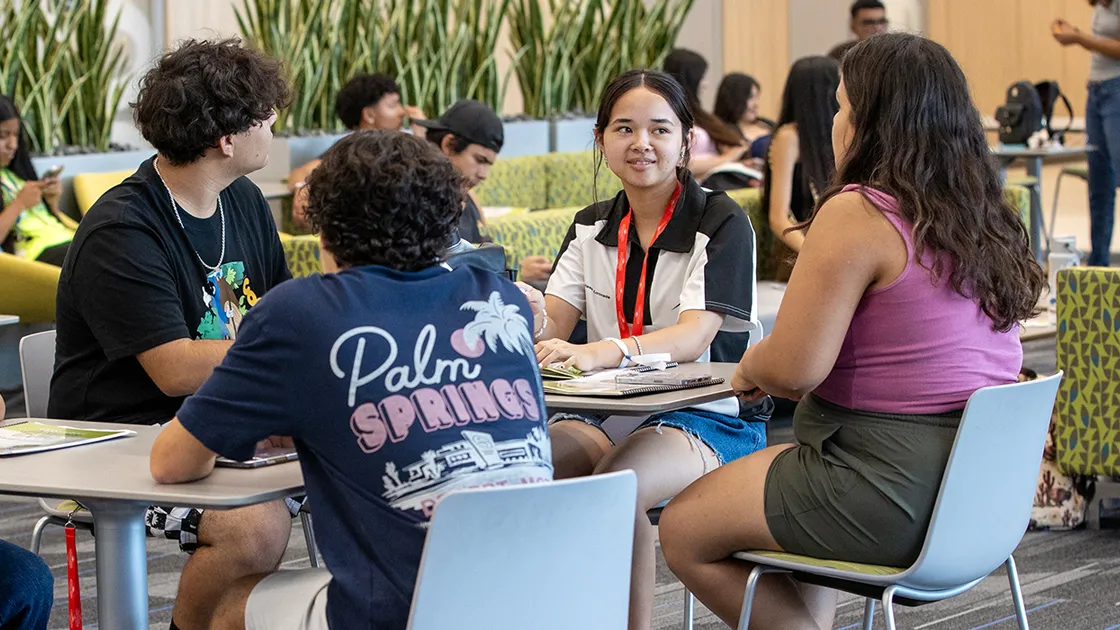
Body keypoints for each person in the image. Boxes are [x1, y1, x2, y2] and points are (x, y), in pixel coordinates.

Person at [659, 33, 1046, 629]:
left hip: (886, 489)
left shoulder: (858, 212)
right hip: (979, 499)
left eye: (842, 106)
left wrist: (749, 368)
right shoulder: (983, 216)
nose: (834, 120)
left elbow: (793, 369)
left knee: (684, 527)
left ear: (873, 120)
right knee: (779, 512)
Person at [150, 130, 553, 630]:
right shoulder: (500, 299)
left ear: (324, 227)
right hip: (538, 599)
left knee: (229, 608)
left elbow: (171, 463)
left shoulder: (303, 311)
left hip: (404, 611)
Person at [49, 38, 296, 630]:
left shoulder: (245, 202)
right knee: (255, 525)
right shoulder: (123, 227)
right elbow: (177, 367)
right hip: (119, 445)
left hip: (224, 422)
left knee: (380, 469)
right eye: (265, 117)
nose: (273, 127)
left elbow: (276, 317)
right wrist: (285, 353)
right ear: (227, 138)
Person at [521, 69, 768, 630]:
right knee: (519, 466)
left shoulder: (722, 221)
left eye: (659, 129)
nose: (641, 144)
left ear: (685, 142)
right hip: (606, 412)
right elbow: (553, 324)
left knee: (617, 485)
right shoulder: (590, 227)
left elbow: (693, 337)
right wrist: (520, 307)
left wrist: (601, 351)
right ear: (601, 140)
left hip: (706, 416)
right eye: (624, 128)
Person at [418, 99, 552, 283]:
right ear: (449, 144)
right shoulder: (416, 202)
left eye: (489, 164)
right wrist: (517, 270)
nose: (484, 175)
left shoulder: (468, 196)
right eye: (480, 160)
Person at [288, 73, 425, 230]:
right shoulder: (349, 150)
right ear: (369, 115)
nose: (402, 112)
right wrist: (303, 187)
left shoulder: (399, 147)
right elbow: (301, 174)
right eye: (392, 105)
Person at [761, 56, 840, 279]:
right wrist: (815, 255)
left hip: (835, 248)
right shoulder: (790, 137)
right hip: (802, 255)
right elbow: (778, 217)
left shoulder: (833, 134)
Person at [1054, 2, 1120, 266]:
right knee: (1099, 185)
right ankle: (1098, 266)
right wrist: (1076, 32)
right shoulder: (1102, 5)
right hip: (1096, 92)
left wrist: (1079, 38)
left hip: (1116, 92)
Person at [0, 94, 76, 266]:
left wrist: (51, 204)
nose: (13, 145)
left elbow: (48, 222)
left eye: (16, 136)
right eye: (3, 136)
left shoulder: (15, 174)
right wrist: (19, 203)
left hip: (66, 240)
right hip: (37, 254)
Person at [663, 49, 749, 181]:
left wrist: (735, 164)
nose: (705, 84)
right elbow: (679, 164)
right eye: (702, 78)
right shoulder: (669, 116)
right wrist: (726, 159)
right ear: (691, 80)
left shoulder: (698, 116)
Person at [713, 73, 776, 160]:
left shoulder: (767, 124)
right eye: (750, 98)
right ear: (733, 99)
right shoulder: (723, 132)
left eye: (756, 97)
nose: (756, 104)